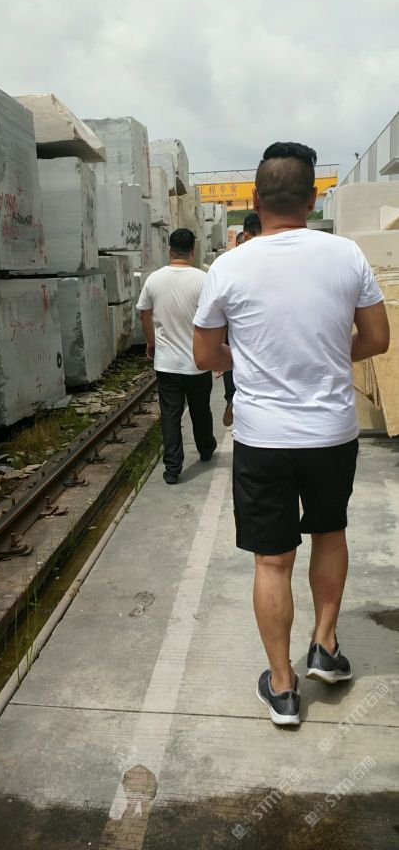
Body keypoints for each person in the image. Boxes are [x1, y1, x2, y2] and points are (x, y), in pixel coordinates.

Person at [193, 141, 389, 726]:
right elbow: (377, 339)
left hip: (264, 438)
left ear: (254, 200)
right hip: (332, 434)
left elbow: (205, 355)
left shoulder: (230, 265)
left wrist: (252, 360)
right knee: (329, 533)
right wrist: (324, 355)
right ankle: (324, 645)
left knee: (272, 562)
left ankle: (282, 687)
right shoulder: (347, 255)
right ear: (313, 198)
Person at [137, 228, 217, 485]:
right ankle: (206, 449)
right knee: (200, 409)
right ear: (193, 251)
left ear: (169, 250)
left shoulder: (154, 279)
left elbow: (144, 313)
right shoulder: (203, 280)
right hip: (197, 362)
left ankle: (172, 468)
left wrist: (151, 341)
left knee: (170, 415)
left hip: (167, 364)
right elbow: (214, 319)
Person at [222, 211, 263, 426]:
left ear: (245, 235)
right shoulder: (279, 259)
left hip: (235, 329)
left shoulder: (227, 264)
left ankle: (233, 399)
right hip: (264, 330)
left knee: (233, 360)